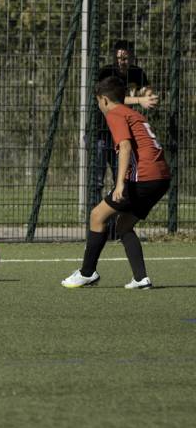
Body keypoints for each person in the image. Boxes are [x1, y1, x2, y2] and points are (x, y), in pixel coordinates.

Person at [62, 76, 170, 290]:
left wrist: (120, 183)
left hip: (144, 178)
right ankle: (141, 279)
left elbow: (126, 147)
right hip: (161, 178)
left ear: (103, 100)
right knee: (124, 225)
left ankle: (87, 273)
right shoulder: (134, 113)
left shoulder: (115, 113)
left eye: (97, 101)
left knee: (97, 215)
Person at [92, 40, 159, 203]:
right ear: (114, 58)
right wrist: (139, 100)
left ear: (132, 58)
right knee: (98, 179)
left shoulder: (137, 72)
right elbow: (115, 100)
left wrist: (149, 95)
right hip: (103, 130)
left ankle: (117, 212)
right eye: (119, 58)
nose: (122, 62)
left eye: (126, 58)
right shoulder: (106, 72)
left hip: (123, 131)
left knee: (120, 174)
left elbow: (146, 88)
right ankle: (94, 211)